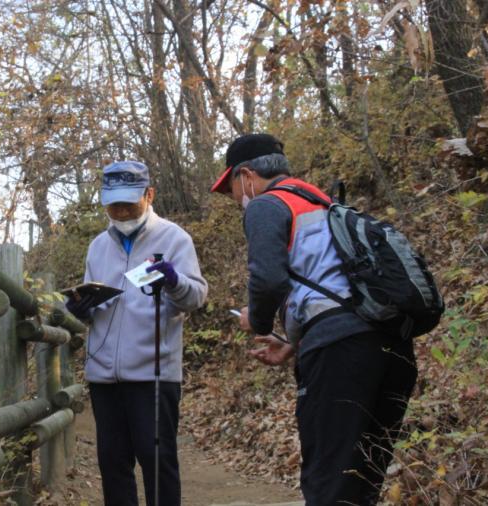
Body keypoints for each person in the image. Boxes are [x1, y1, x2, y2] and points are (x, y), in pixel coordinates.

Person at [210, 134, 417, 505]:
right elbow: (337, 290)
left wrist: (255, 321)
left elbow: (269, 279)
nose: (236, 199)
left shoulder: (266, 205)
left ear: (246, 175)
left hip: (340, 358)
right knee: (363, 480)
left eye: (232, 190)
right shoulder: (325, 205)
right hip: (392, 347)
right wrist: (292, 343)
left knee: (329, 482)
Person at [66, 160, 207, 506]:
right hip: (103, 377)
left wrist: (175, 281)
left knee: (158, 462)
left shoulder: (174, 238)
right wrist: (80, 309)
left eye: (129, 201)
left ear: (149, 194)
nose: (122, 209)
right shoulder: (98, 246)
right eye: (113, 202)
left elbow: (197, 297)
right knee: (113, 465)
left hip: (154, 372)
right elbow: (94, 301)